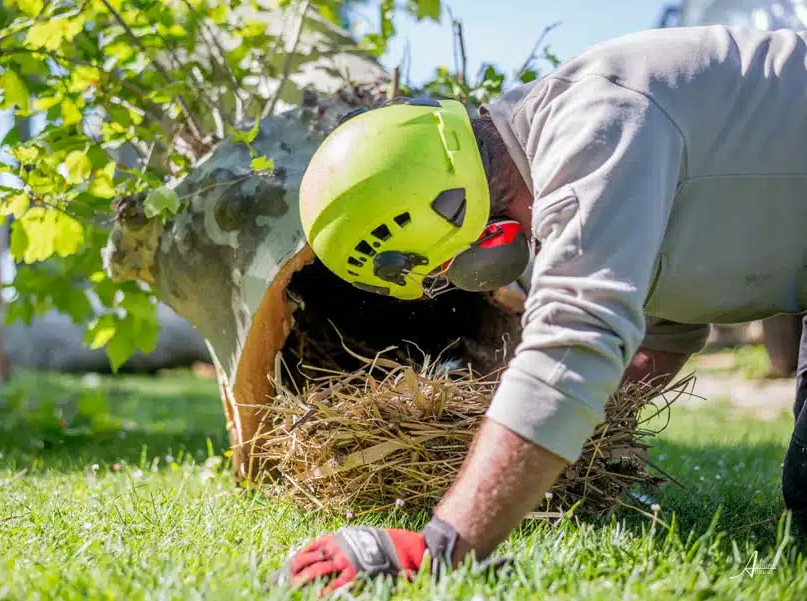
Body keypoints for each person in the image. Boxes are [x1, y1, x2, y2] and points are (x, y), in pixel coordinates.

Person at [283, 24, 807, 592]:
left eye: (442, 269)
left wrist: (444, 545)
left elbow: (576, 339)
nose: (453, 280)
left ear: (446, 209)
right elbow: (658, 338)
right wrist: (531, 456)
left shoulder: (594, 125)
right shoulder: (570, 145)